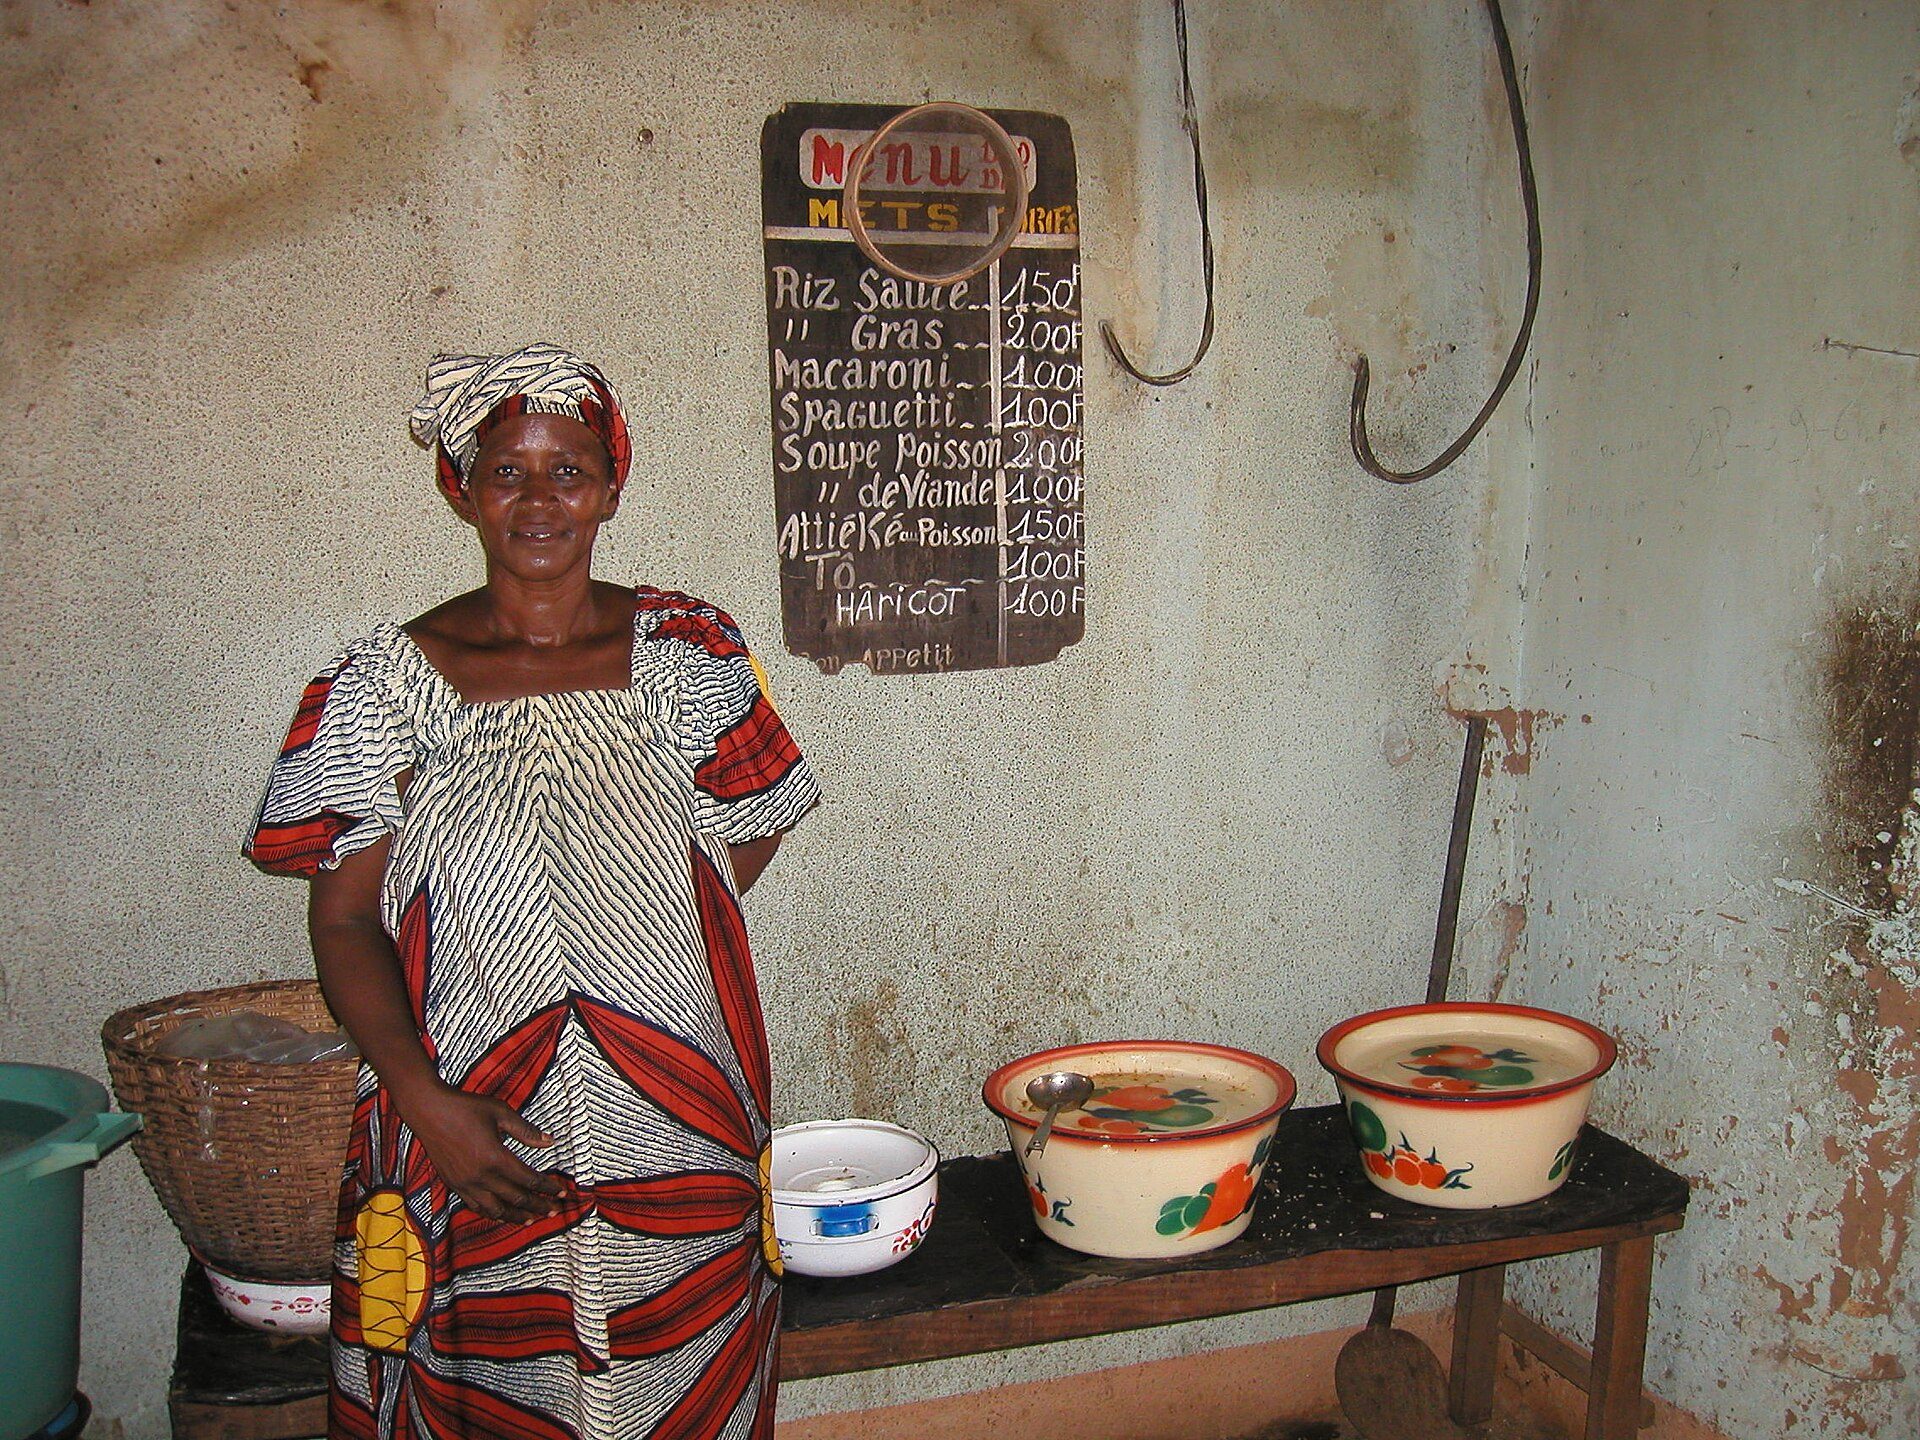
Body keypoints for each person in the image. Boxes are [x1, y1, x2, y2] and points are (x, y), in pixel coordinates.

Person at [245, 343, 819, 1440]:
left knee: (680, 1381)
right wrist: (423, 1100)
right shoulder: (380, 687)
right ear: (460, 487)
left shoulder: (693, 651)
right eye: (509, 470)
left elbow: (749, 822)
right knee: (487, 1387)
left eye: (571, 468)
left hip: (678, 1129)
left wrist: (629, 942)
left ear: (612, 483)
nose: (542, 498)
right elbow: (343, 916)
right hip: (474, 1124)